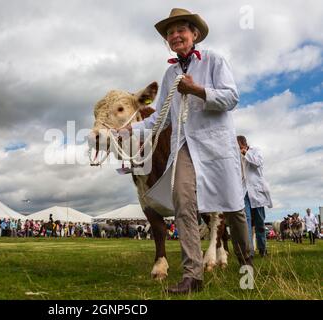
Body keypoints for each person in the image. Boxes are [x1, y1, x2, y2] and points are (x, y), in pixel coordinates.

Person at [125, 8, 251, 294]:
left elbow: (232, 98)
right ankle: (192, 275)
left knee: (233, 208)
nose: (174, 35)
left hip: (216, 144)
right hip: (184, 146)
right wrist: (130, 131)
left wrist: (198, 91)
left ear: (194, 34)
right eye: (170, 33)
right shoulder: (170, 73)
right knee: (183, 202)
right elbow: (162, 118)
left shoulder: (215, 61)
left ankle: (246, 262)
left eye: (180, 30)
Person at [237, 135, 273, 257]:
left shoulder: (255, 151)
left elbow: (258, 163)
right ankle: (249, 251)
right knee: (245, 221)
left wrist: (245, 153)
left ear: (244, 144)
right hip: (244, 192)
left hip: (256, 191)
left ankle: (263, 249)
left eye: (238, 147)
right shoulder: (236, 157)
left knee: (259, 222)